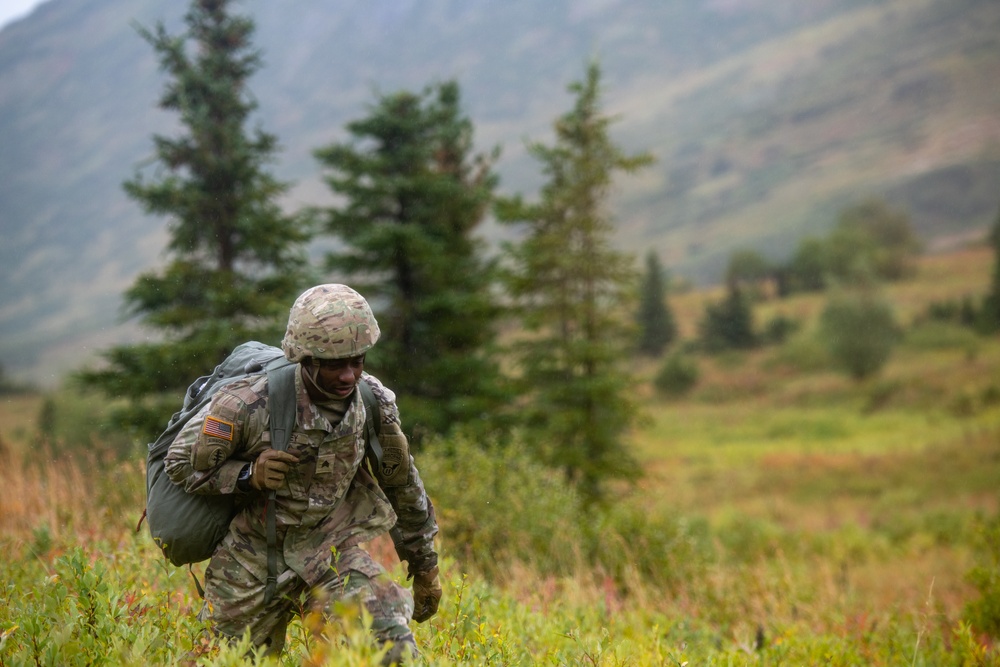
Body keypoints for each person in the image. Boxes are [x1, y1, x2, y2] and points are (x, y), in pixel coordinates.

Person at [164, 284, 441, 663]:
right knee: (220, 660)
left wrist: (425, 566)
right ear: (305, 358)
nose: (348, 376)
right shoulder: (247, 403)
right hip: (250, 564)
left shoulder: (372, 402)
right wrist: (247, 475)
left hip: (331, 554)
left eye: (357, 361)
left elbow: (402, 484)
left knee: (394, 650)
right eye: (334, 364)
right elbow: (179, 465)